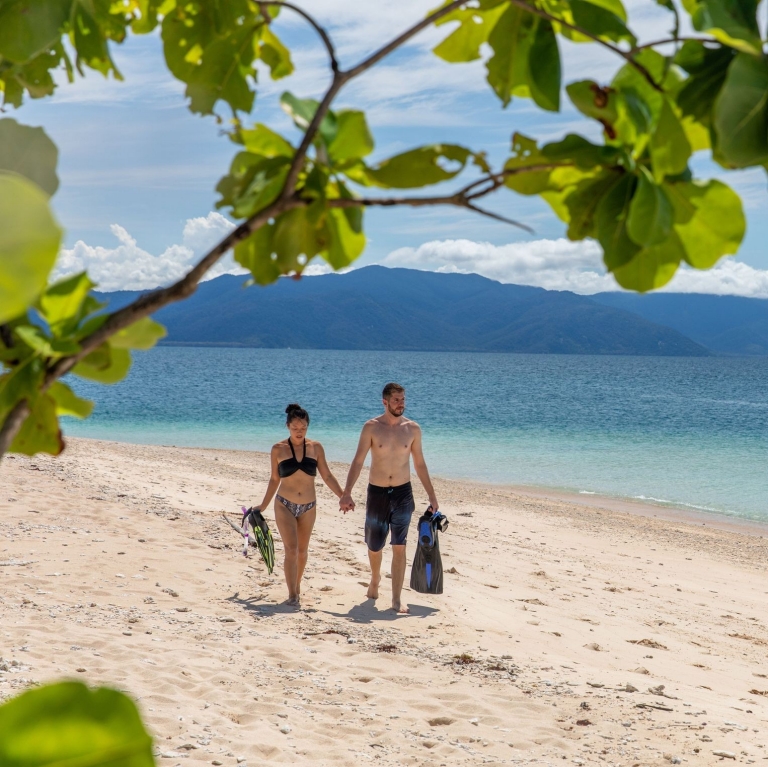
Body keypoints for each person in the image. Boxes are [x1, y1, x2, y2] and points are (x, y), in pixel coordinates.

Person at [339, 382, 439, 614]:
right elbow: (358, 460)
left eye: (403, 399)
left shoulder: (412, 429)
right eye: (396, 400)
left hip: (403, 493)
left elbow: (420, 464)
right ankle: (375, 578)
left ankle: (396, 598)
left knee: (399, 545)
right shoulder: (371, 427)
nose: (400, 404)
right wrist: (347, 492)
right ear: (385, 402)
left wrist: (432, 496)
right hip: (378, 492)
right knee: (374, 545)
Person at [254, 404, 344, 607]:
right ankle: (292, 594)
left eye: (303, 427)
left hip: (309, 506)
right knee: (292, 549)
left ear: (307, 426)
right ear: (288, 426)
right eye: (295, 427)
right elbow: (274, 479)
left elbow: (327, 475)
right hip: (284, 504)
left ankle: (297, 586)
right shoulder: (278, 449)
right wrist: (263, 505)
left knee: (303, 551)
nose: (299, 431)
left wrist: (343, 495)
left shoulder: (316, 447)